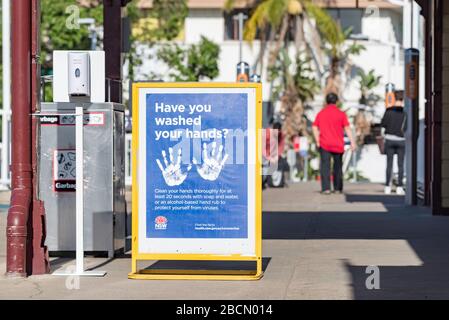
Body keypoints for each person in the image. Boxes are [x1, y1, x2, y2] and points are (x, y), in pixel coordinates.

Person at [313, 93, 356, 195]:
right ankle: (337, 188)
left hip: (324, 144)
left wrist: (317, 140)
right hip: (338, 144)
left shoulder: (321, 113)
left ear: (326, 101)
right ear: (336, 101)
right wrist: (352, 142)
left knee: (325, 167)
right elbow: (347, 129)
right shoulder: (341, 114)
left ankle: (326, 188)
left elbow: (314, 127)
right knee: (338, 167)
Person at [381, 90, 406, 195]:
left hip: (390, 139)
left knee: (389, 164)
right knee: (400, 164)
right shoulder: (405, 112)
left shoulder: (388, 111)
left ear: (394, 98)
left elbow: (383, 124)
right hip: (401, 140)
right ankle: (399, 187)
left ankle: (387, 186)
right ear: (403, 99)